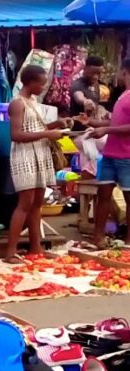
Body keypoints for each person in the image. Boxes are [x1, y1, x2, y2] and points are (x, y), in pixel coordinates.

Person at [4, 65, 70, 263]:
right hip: (24, 156)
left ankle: (36, 248)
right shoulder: (17, 103)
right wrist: (47, 134)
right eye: (41, 84)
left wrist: (56, 124)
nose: (43, 88)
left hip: (39, 155)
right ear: (30, 83)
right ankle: (10, 252)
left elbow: (35, 128)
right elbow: (16, 135)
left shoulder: (33, 102)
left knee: (37, 204)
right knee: (24, 204)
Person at [88, 59, 130, 247]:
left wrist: (107, 130)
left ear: (125, 72)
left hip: (126, 156)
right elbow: (117, 123)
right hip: (111, 155)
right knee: (103, 194)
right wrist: (96, 124)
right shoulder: (124, 95)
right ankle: (98, 237)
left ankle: (129, 240)